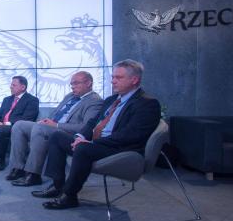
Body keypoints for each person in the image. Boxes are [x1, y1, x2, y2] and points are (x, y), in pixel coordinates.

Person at [37, 59, 161, 210]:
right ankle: (57, 186)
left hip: (120, 149)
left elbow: (131, 135)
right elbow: (92, 123)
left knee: (83, 149)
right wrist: (80, 137)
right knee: (57, 136)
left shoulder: (147, 103)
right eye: (113, 77)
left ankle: (69, 196)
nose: (113, 81)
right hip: (97, 143)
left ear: (134, 80)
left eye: (118, 77)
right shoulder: (111, 99)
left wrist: (92, 143)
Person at [7, 71, 102, 186]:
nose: (72, 86)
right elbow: (56, 113)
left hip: (66, 133)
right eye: (71, 84)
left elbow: (85, 127)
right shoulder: (70, 96)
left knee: (40, 129)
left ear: (88, 83)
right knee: (19, 125)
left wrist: (55, 125)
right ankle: (18, 168)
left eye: (76, 83)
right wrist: (46, 121)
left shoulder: (95, 101)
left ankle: (33, 174)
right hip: (51, 126)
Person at [0, 75, 39, 172]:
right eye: (11, 85)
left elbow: (27, 119)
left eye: (14, 85)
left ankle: (1, 158)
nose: (11, 87)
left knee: (1, 130)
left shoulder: (32, 100)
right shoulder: (7, 99)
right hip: (0, 126)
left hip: (16, 128)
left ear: (23, 87)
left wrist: (2, 124)